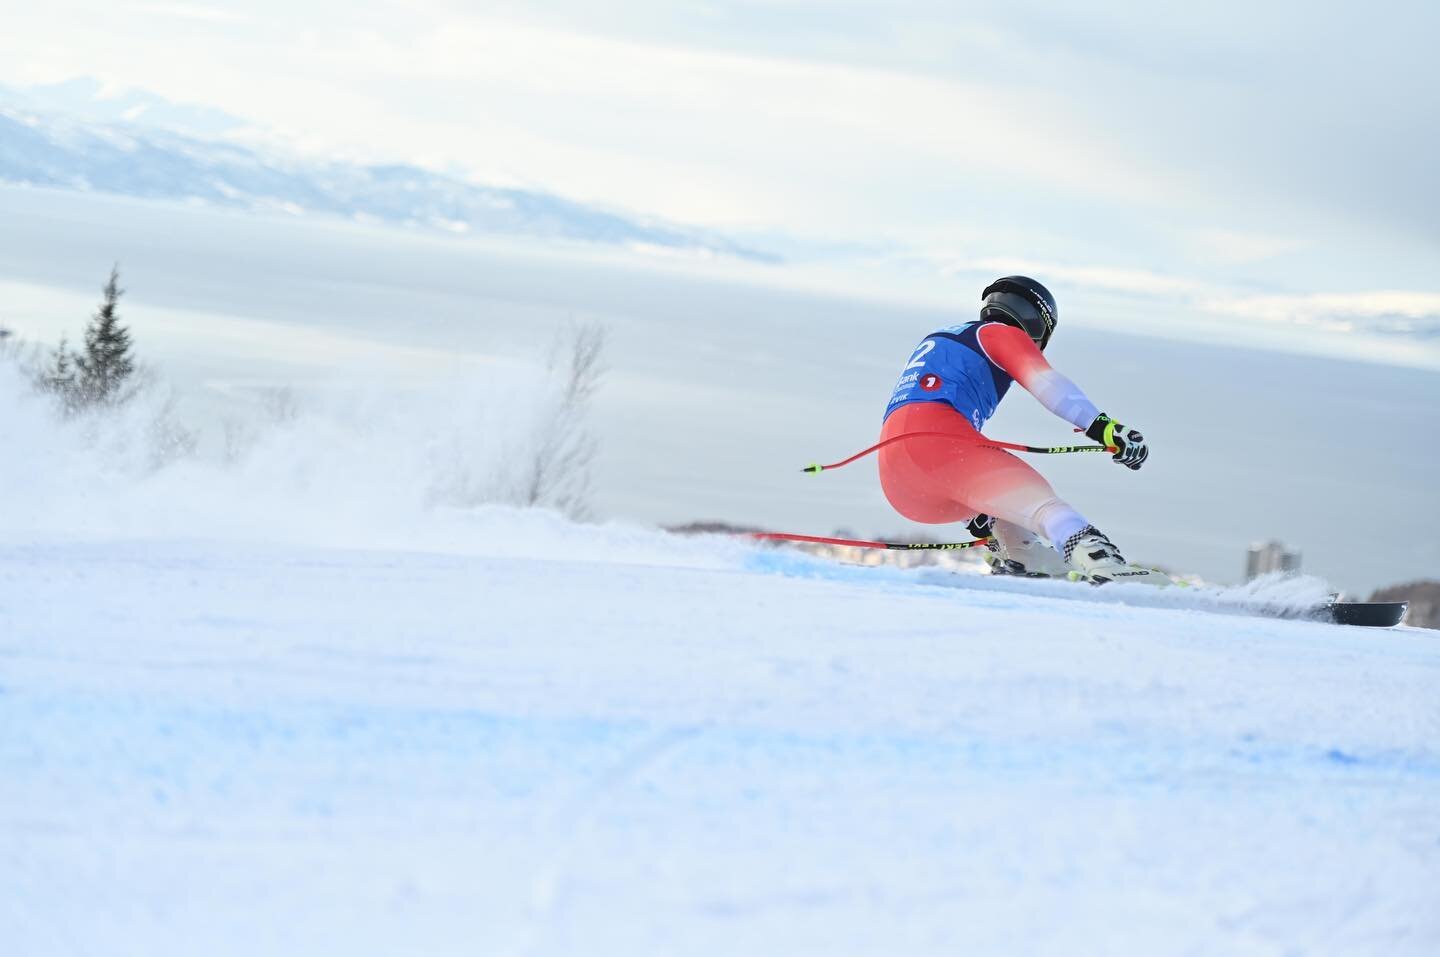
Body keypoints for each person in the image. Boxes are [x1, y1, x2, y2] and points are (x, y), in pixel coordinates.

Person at [878, 276, 1165, 584]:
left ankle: (1019, 554)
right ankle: (1104, 564)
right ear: (1037, 323)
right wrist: (1104, 428)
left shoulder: (945, 336)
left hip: (896, 476)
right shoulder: (1000, 333)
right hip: (937, 444)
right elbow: (1046, 382)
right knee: (1042, 504)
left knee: (990, 489)